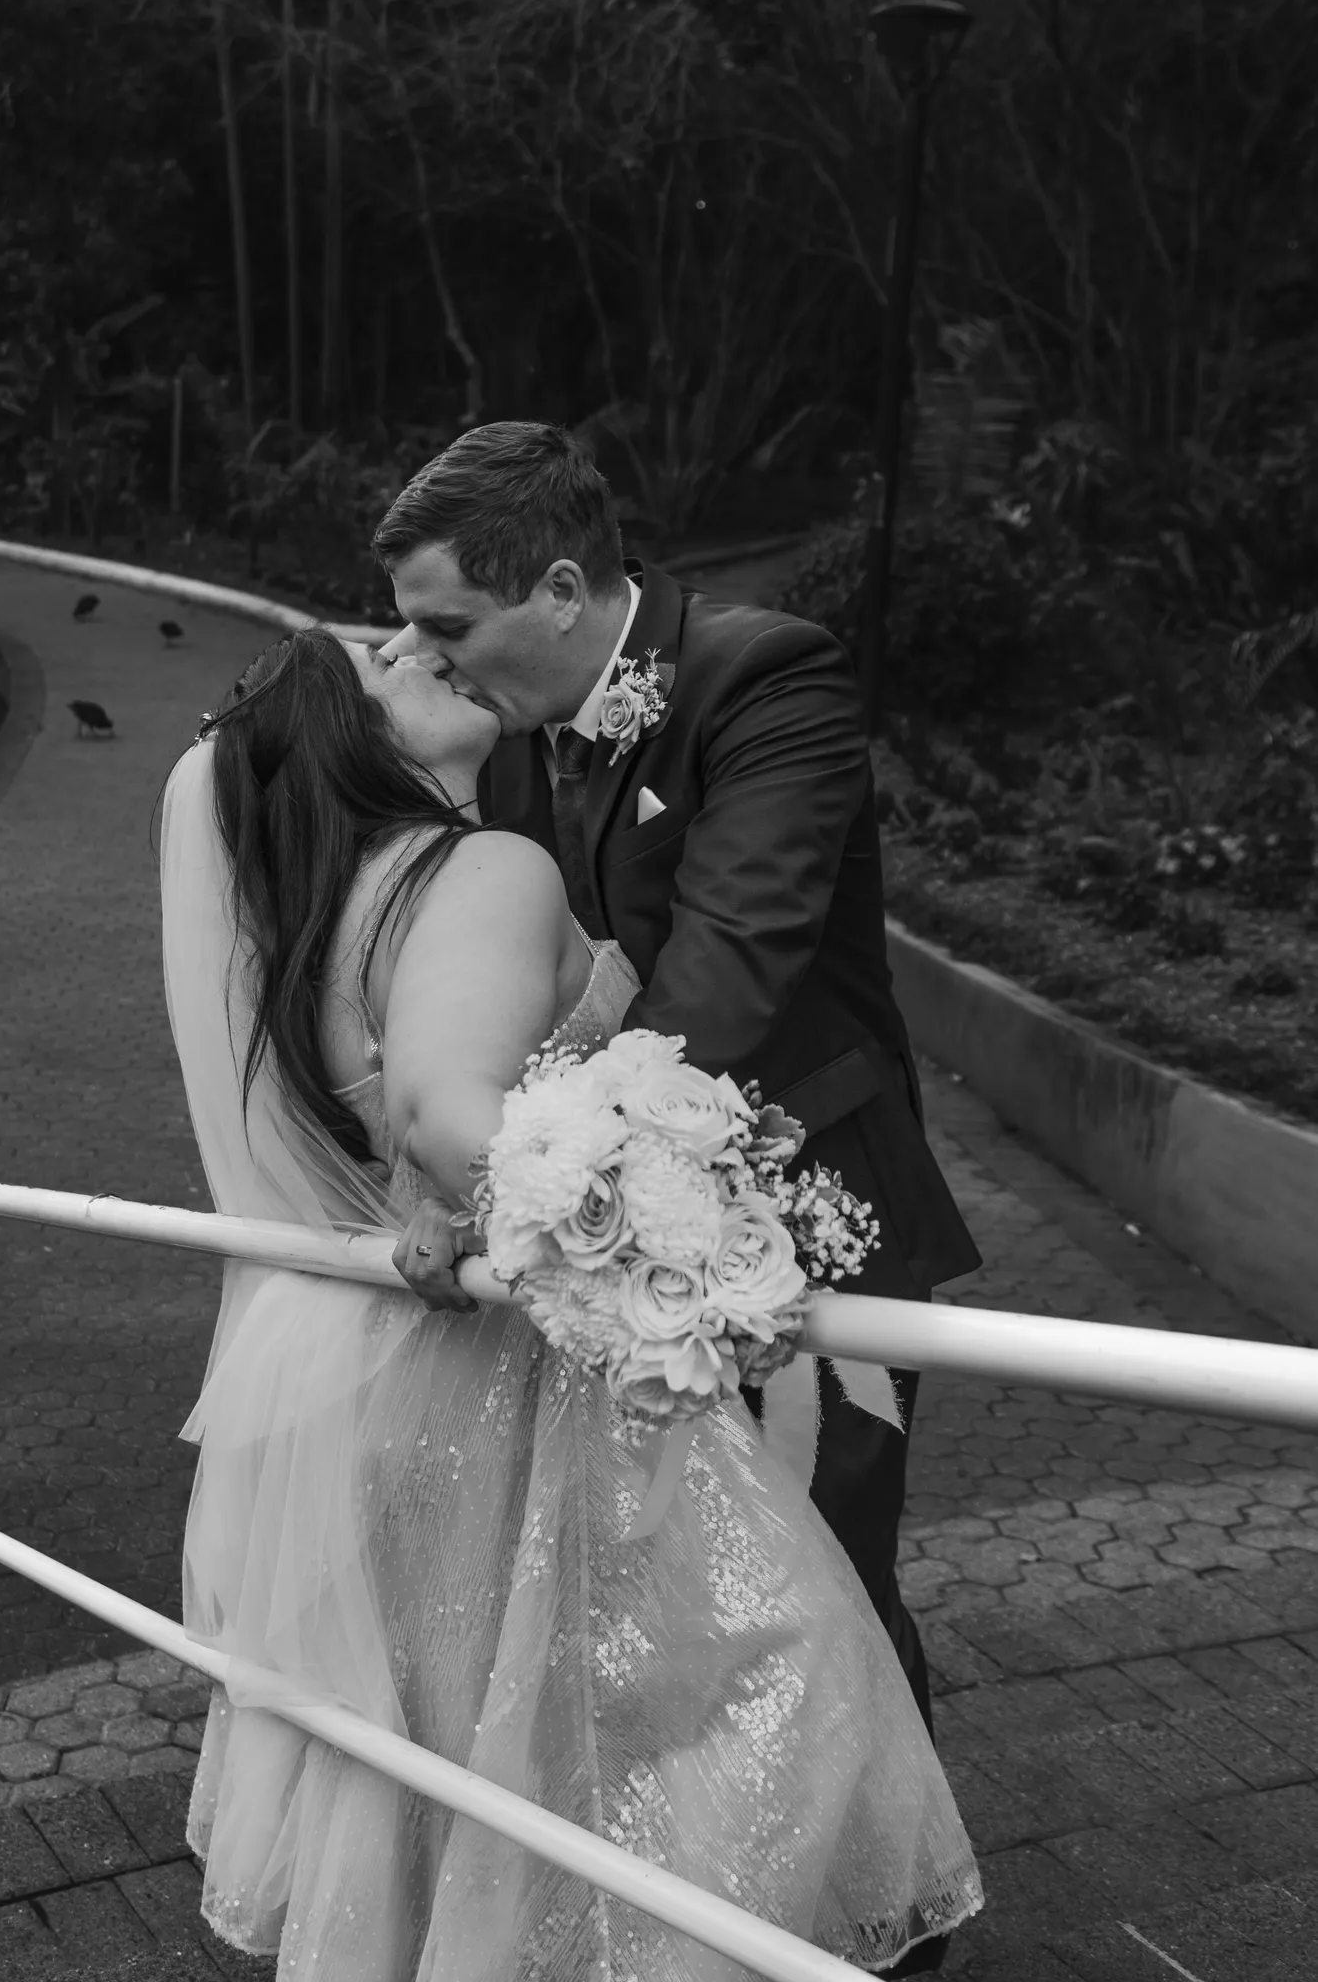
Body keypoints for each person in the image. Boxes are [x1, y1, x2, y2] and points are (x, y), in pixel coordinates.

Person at [160, 626, 981, 1982]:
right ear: (359, 741)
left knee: (500, 1707)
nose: (419, 646)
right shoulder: (475, 870)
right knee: (772, 1658)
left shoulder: (313, 919)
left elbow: (405, 1117)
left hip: (398, 1372)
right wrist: (654, 1246)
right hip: (532, 1370)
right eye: (384, 654)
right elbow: (445, 1116)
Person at [375, 422, 982, 1744]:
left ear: (556, 589)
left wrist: (504, 1189)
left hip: (814, 1216)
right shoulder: (531, 724)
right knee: (689, 1578)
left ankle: (880, 1924)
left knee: (823, 1567)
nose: (427, 659)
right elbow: (550, 979)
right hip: (639, 1230)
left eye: (448, 627)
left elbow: (719, 980)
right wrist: (477, 1175)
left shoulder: (767, 678)